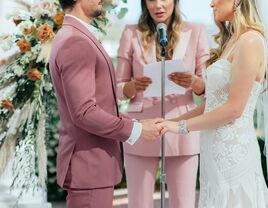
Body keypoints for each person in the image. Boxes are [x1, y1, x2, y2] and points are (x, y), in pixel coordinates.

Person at [49, 0, 164, 207]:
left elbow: (100, 105)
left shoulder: (74, 35)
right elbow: (85, 112)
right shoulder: (75, 41)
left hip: (91, 168)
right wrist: (136, 130)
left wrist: (140, 124)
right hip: (89, 165)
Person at [159, 0, 268, 207]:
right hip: (213, 151)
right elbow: (212, 105)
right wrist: (168, 122)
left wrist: (179, 127)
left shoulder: (251, 41)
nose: (210, 4)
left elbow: (235, 109)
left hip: (233, 152)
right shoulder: (232, 41)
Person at [116, 0, 209, 207]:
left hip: (183, 126)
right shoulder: (130, 33)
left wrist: (194, 82)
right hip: (140, 127)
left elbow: (208, 89)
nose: (158, 5)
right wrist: (133, 86)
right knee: (139, 203)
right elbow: (118, 89)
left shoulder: (196, 31)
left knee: (183, 203)